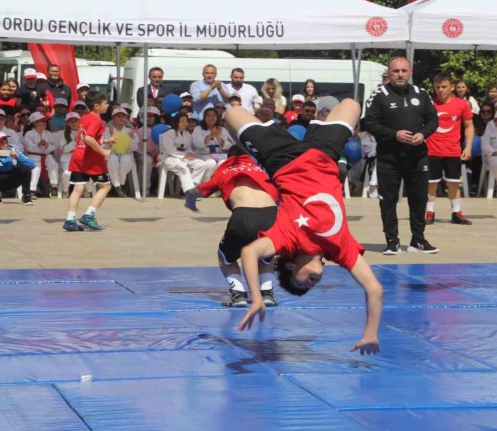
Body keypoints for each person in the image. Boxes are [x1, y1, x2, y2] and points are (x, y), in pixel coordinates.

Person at [225, 100, 382, 355]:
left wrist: (256, 297)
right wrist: (370, 333)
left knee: (231, 113)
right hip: (324, 153)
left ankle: (256, 147)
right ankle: (314, 125)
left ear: (291, 267)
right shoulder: (340, 250)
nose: (311, 285)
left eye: (301, 284)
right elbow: (374, 288)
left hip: (281, 158)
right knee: (352, 103)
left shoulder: (288, 240)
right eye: (310, 287)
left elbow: (249, 252)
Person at [184, 146, 280, 307]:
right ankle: (267, 293)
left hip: (244, 215)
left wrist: (190, 200)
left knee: (225, 257)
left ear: (229, 158)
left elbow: (202, 189)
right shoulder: (260, 169)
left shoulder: (226, 169)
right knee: (266, 256)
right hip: (272, 214)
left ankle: (238, 294)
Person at [362, 56, 439, 255]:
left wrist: (423, 134)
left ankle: (418, 240)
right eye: (396, 71)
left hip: (417, 156)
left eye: (404, 71)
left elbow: (433, 120)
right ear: (389, 73)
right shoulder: (379, 95)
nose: (400, 75)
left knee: (419, 198)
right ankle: (392, 241)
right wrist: (393, 134)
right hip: (389, 157)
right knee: (388, 200)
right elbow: (368, 122)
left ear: (410, 72)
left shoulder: (421, 93)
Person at [427, 74, 475, 225]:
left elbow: (469, 126)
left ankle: (457, 213)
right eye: (437, 87)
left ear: (452, 87)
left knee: (453, 183)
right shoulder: (429, 104)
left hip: (453, 150)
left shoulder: (462, 104)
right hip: (431, 150)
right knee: (431, 183)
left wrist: (468, 147)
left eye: (444, 87)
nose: (440, 90)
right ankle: (429, 212)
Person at [63, 92, 114, 232]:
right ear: (97, 106)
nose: (107, 106)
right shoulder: (96, 120)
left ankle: (70, 219)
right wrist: (103, 151)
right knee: (105, 186)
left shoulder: (84, 118)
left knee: (78, 188)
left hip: (78, 155)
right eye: (105, 103)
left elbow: (84, 137)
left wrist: (105, 140)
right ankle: (89, 215)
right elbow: (89, 138)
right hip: (91, 158)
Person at [160, 113, 216, 196]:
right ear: (177, 122)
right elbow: (169, 149)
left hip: (184, 157)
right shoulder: (169, 133)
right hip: (170, 158)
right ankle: (190, 192)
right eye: (182, 121)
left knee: (201, 164)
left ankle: (192, 186)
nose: (184, 123)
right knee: (183, 169)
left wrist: (191, 154)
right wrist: (185, 155)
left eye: (186, 121)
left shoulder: (188, 134)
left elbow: (189, 148)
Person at [0, 132, 35, 205]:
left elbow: (32, 165)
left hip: (13, 179)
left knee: (25, 168)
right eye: (2, 143)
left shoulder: (13, 150)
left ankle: (26, 196)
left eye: (6, 142)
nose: (6, 144)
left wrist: (18, 157)